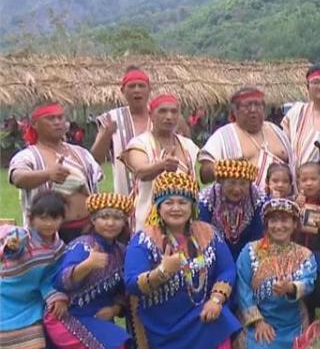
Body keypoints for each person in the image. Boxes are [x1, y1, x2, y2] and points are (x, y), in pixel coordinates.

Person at [124, 172, 241, 349]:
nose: (176, 208)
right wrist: (162, 271)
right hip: (160, 319)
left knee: (222, 314)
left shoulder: (208, 232)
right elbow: (132, 283)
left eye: (182, 202)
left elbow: (227, 270)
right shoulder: (143, 240)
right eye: (168, 202)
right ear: (158, 207)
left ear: (192, 207)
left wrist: (215, 300)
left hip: (200, 310)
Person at [44, 193, 134, 349]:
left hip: (96, 317)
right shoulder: (82, 245)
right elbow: (61, 281)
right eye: (104, 217)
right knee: (113, 345)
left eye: (117, 217)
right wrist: (87, 265)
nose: (110, 223)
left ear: (124, 221)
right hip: (67, 317)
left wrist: (114, 309)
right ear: (93, 220)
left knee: (123, 348)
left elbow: (122, 291)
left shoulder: (121, 251)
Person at [235, 198, 317, 349]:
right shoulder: (250, 252)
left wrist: (290, 287)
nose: (279, 226)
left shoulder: (304, 255)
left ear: (294, 224)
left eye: (285, 220)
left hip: (292, 321)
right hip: (261, 318)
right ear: (266, 224)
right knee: (262, 346)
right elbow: (243, 288)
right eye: (273, 220)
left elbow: (309, 281)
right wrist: (258, 322)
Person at [0, 191, 67, 349]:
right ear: (31, 218)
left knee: (36, 348)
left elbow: (49, 277)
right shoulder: (21, 236)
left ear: (62, 219)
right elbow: (11, 250)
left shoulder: (58, 247)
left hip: (31, 299)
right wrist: (11, 247)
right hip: (6, 298)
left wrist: (55, 297)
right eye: (43, 217)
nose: (49, 223)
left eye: (54, 218)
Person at [9, 103, 103, 243]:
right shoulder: (28, 156)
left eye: (60, 118)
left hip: (87, 228)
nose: (57, 122)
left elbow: (96, 180)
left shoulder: (80, 153)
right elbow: (18, 178)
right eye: (50, 118)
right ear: (35, 124)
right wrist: (47, 174)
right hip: (48, 234)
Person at [122, 94, 200, 230]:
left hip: (183, 223)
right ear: (151, 115)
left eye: (173, 111)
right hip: (148, 223)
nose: (169, 116)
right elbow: (140, 172)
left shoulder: (188, 145)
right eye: (162, 111)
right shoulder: (140, 143)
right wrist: (162, 165)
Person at [199, 87, 294, 190]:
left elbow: (293, 166)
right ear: (235, 111)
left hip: (281, 203)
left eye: (257, 105)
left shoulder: (276, 131)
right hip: (240, 203)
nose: (253, 110)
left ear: (264, 109)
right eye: (247, 105)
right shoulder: (223, 135)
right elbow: (204, 174)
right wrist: (228, 167)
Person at [91, 66, 153, 196]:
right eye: (132, 86)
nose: (137, 90)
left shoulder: (161, 116)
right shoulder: (111, 118)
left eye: (141, 86)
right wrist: (106, 134)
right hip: (125, 194)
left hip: (160, 193)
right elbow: (96, 159)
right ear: (123, 91)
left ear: (149, 90)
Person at [198, 159, 268, 260]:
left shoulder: (258, 199)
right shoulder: (208, 199)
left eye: (243, 183)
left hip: (249, 257)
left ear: (250, 184)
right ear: (221, 181)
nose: (237, 189)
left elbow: (259, 238)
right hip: (215, 256)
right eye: (231, 183)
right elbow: (202, 236)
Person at [294, 162, 320, 322]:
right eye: (304, 180)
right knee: (307, 300)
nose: (309, 183)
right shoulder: (296, 203)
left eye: (313, 179)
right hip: (301, 260)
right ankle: (308, 331)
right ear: (298, 183)